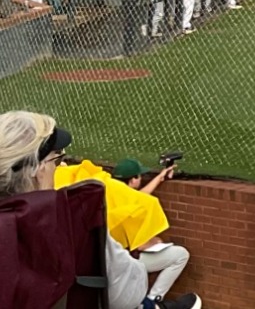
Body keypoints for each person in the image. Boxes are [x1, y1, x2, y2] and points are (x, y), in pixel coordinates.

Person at [0, 111, 202, 309]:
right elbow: (128, 295)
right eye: (56, 160)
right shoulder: (73, 218)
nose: (59, 166)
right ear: (38, 169)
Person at [111, 157, 192, 306]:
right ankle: (152, 300)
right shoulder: (128, 205)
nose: (141, 179)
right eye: (139, 176)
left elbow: (140, 196)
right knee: (181, 255)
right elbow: (139, 246)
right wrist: (154, 242)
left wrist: (160, 177)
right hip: (128, 261)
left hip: (109, 261)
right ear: (133, 180)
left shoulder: (113, 196)